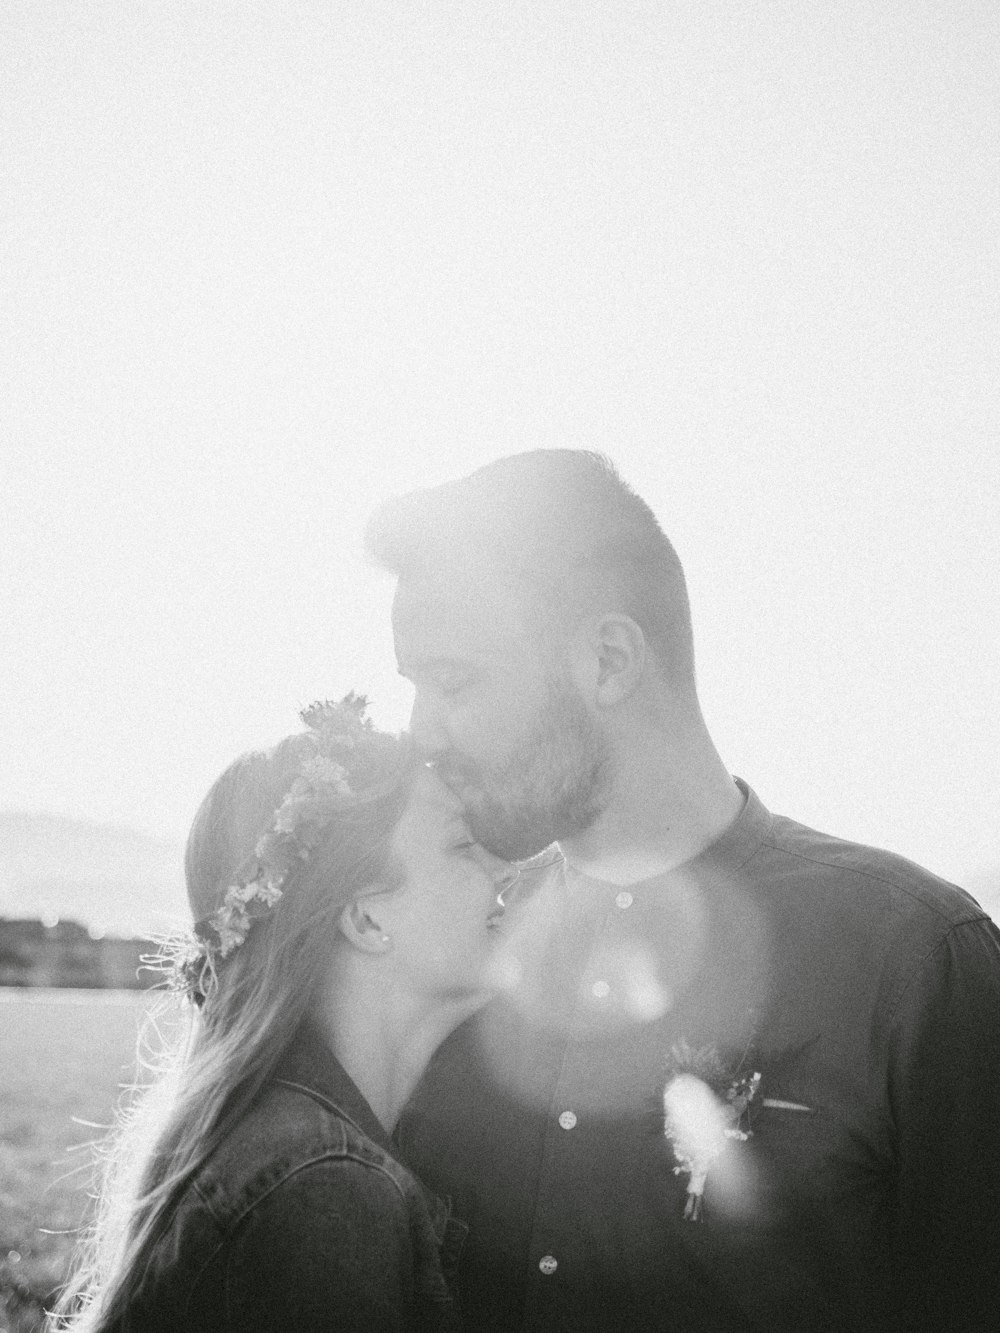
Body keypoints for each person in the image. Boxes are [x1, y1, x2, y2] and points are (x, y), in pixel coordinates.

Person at [366, 451, 1000, 1332]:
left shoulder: (915, 959)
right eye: (415, 688)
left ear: (611, 659)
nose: (422, 732)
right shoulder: (452, 956)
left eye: (455, 680)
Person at [52, 694, 516, 1332]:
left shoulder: (299, 1148)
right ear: (365, 918)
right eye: (464, 847)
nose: (502, 871)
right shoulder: (325, 1187)